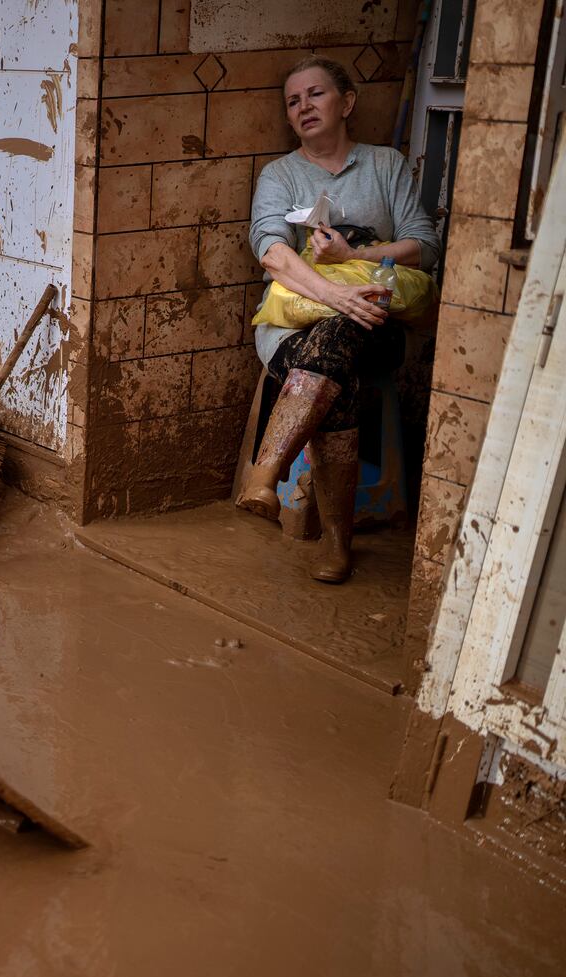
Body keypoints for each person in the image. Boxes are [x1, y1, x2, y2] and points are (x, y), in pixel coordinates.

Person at [242, 56, 441, 583]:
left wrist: (357, 255)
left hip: (377, 322)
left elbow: (424, 244)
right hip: (292, 324)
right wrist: (336, 294)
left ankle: (267, 471)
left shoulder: (385, 165)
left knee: (349, 330)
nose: (304, 106)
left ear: (347, 102)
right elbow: (271, 253)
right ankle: (336, 544)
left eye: (316, 94)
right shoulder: (281, 175)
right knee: (338, 354)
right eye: (293, 101)